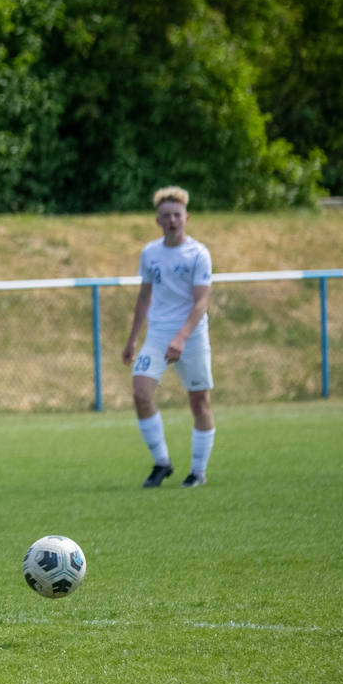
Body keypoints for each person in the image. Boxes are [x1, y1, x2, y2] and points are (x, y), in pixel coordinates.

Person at [121, 186, 216, 488]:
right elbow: (144, 296)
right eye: (166, 215)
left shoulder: (198, 253)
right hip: (159, 334)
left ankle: (198, 471)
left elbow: (201, 302)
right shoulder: (150, 252)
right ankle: (162, 462)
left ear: (186, 218)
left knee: (199, 402)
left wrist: (182, 337)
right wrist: (132, 339)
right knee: (141, 393)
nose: (172, 220)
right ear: (158, 220)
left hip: (192, 335)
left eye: (177, 214)